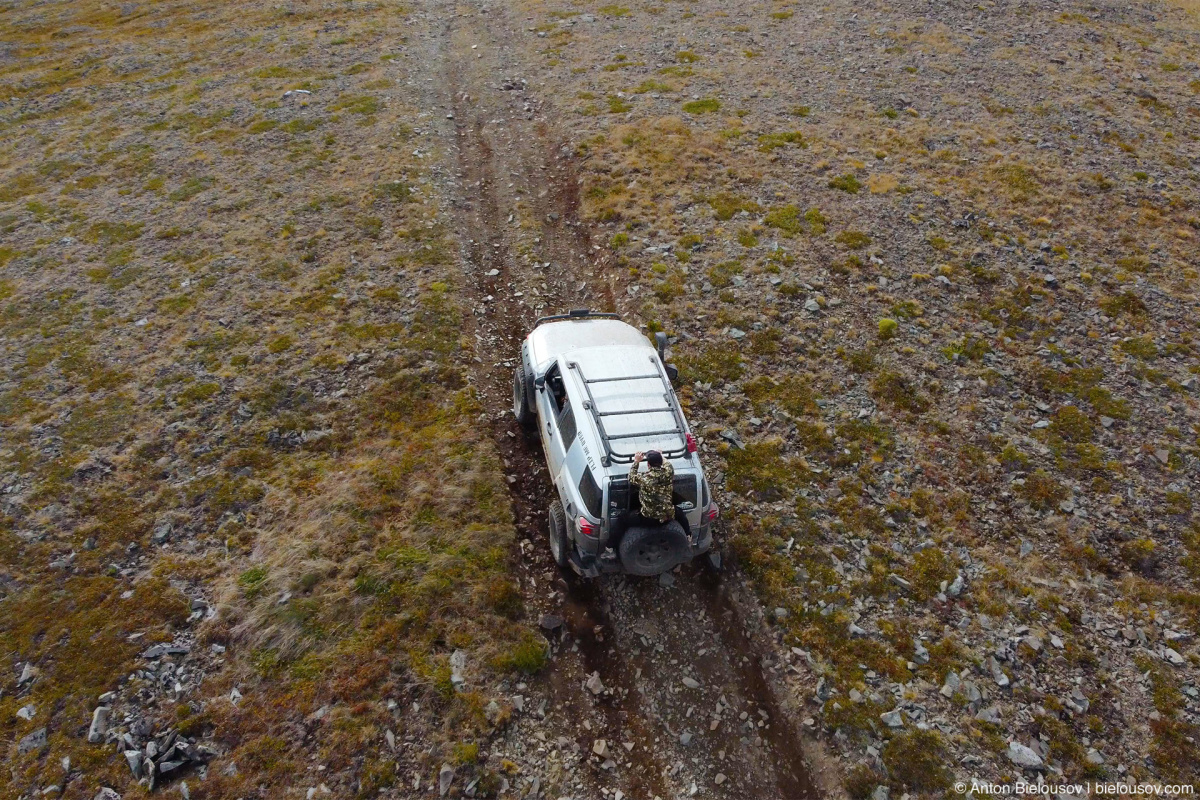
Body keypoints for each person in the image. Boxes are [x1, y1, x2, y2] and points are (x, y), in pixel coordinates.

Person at [628, 450, 675, 524]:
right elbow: (667, 463)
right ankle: (688, 534)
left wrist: (636, 461)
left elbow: (631, 477)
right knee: (680, 513)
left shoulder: (644, 478)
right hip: (667, 515)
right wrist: (660, 455)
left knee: (622, 519)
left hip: (649, 517)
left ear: (648, 464)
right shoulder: (669, 472)